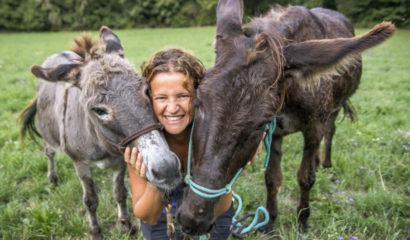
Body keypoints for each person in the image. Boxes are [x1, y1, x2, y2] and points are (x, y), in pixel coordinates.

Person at [124, 48, 234, 240]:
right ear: (149, 100)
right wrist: (156, 180)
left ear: (198, 96)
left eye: (183, 96)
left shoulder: (212, 135)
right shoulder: (144, 142)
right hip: (160, 209)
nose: (173, 108)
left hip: (209, 204)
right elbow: (147, 216)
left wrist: (224, 173)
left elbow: (221, 209)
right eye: (161, 98)